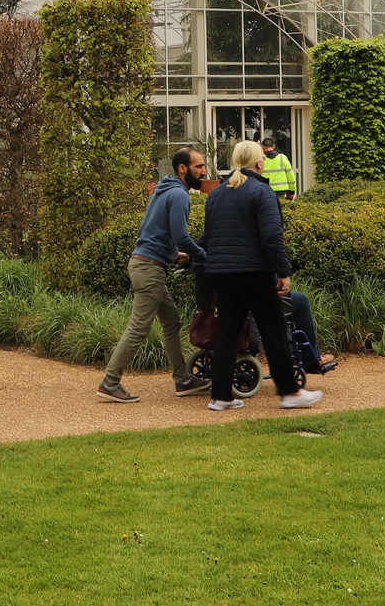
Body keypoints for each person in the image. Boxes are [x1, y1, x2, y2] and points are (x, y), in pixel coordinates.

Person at [200, 139, 321, 411]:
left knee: (228, 333)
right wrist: (283, 272)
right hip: (254, 272)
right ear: (258, 162)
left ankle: (220, 396)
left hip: (222, 273)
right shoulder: (261, 192)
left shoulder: (217, 194)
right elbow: (272, 237)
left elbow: (209, 236)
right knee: (274, 330)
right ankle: (289, 391)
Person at [97, 147, 211, 403]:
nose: (204, 171)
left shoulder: (163, 190)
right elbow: (180, 235)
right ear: (183, 168)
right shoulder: (180, 195)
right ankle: (110, 382)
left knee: (170, 321)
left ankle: (182, 379)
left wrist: (174, 255)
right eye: (198, 167)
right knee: (139, 327)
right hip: (149, 270)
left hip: (145, 263)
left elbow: (153, 231)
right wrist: (204, 256)